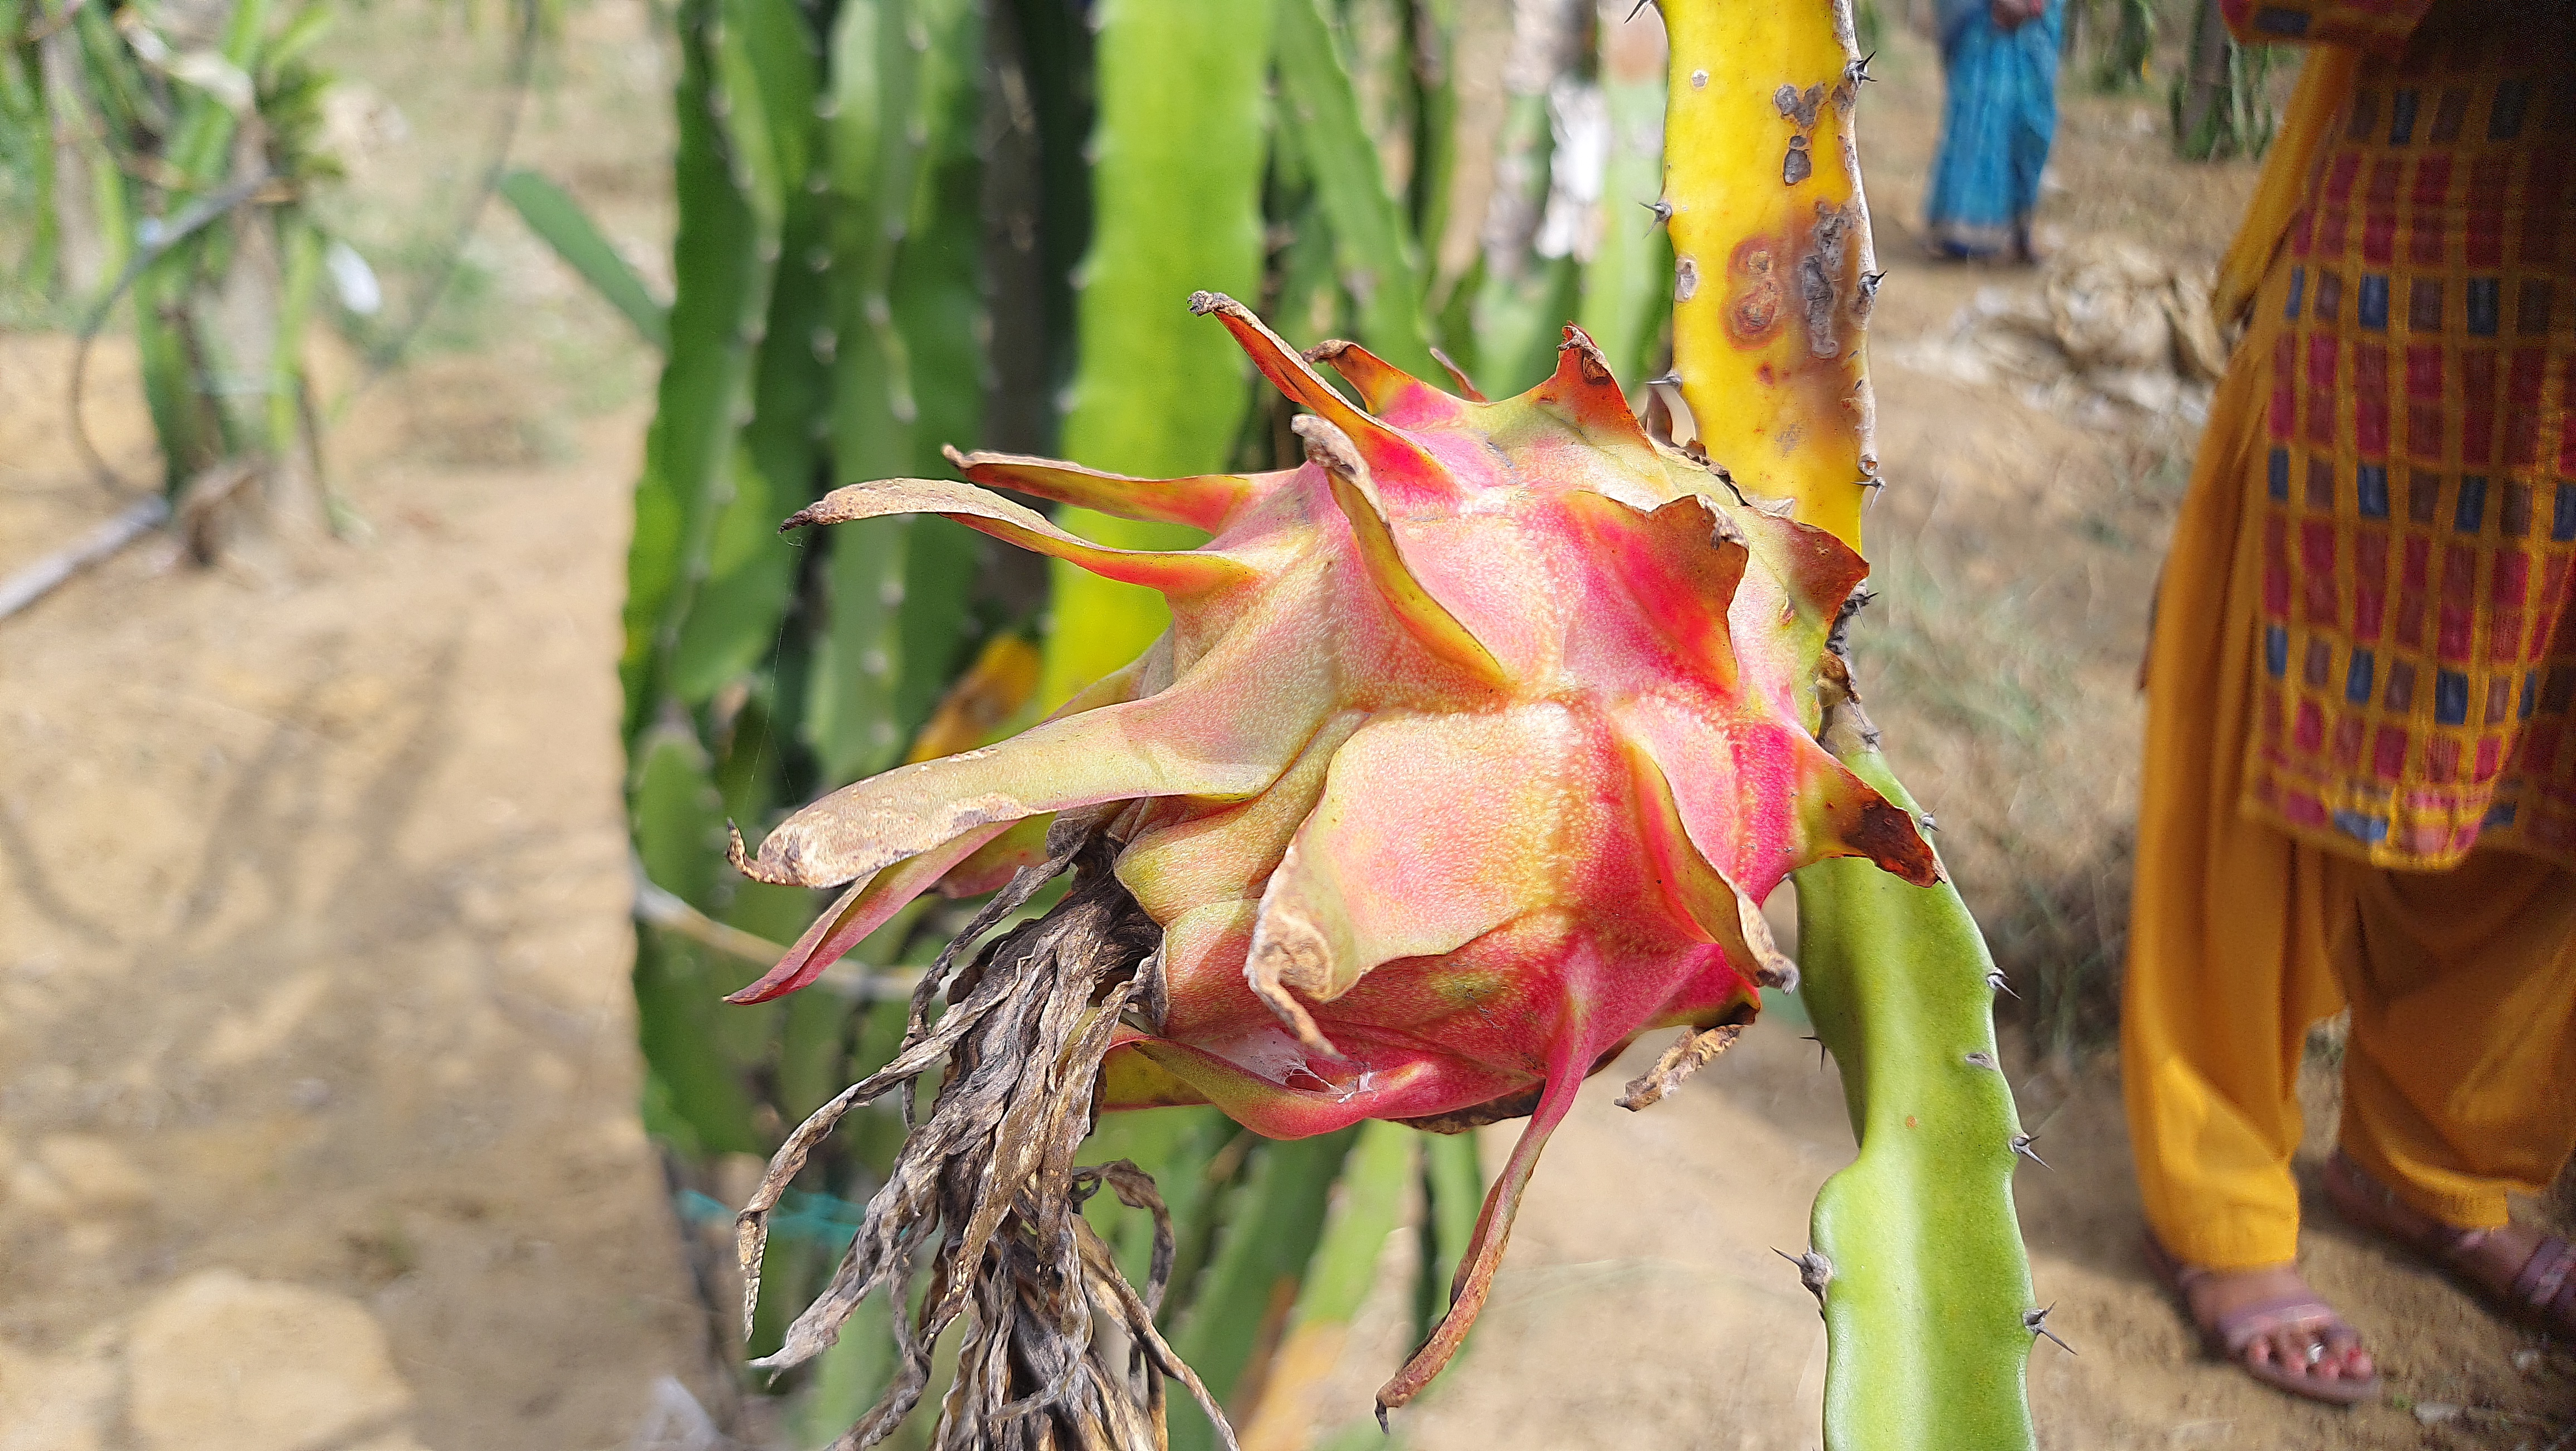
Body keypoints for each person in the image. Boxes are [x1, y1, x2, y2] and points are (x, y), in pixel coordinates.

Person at [2123, 0, 2575, 1407]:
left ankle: (2434, 1161)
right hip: (2422, 242)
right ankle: (2217, 1197)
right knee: (2277, 724)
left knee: (2547, 771)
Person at [1923, 0, 2065, 262]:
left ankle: (2020, 230)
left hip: (2038, 29)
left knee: (2033, 128)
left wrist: (2033, 7)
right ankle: (1960, 228)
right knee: (1979, 115)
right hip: (1983, 23)